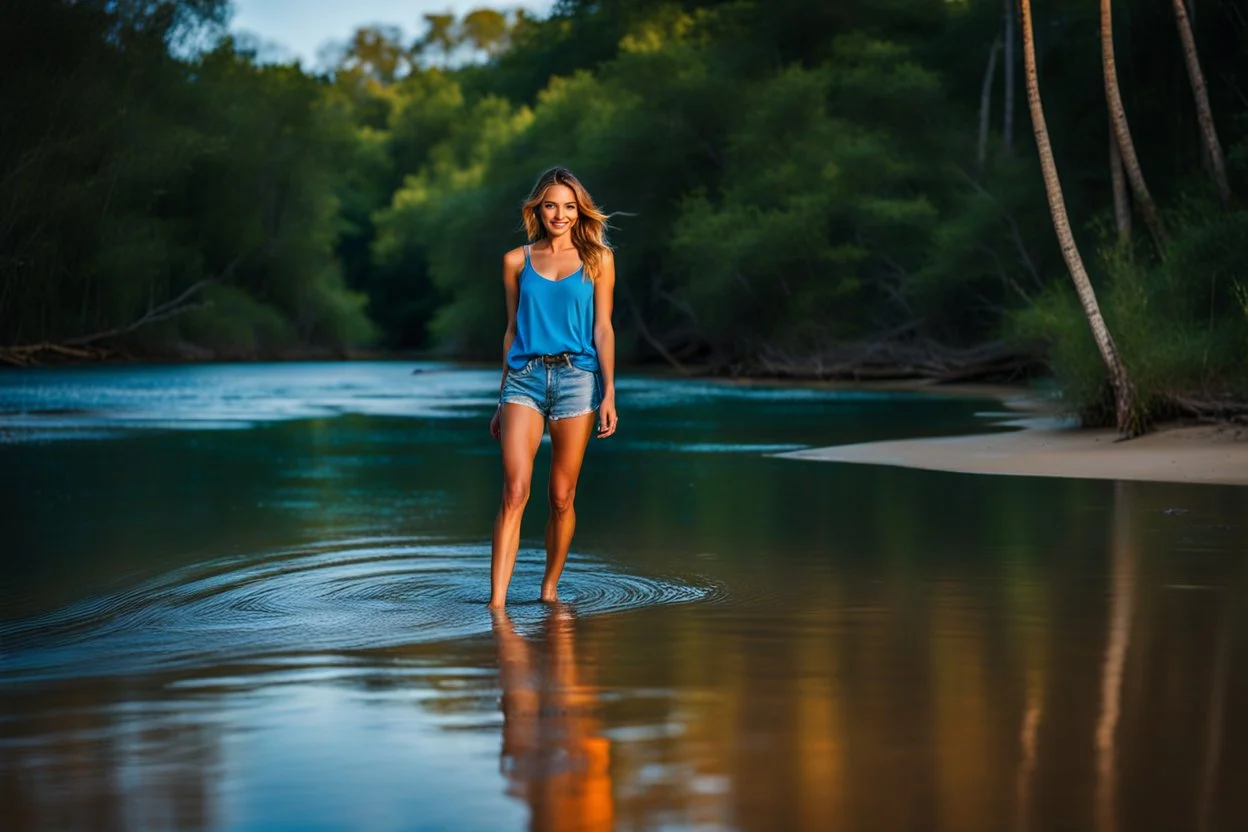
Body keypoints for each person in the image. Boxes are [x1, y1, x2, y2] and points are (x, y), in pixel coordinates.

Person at [488, 167, 618, 608]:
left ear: (578, 209)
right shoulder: (515, 261)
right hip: (523, 380)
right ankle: (497, 605)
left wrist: (609, 393)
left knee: (561, 497)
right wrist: (499, 398)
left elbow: (603, 328)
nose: (559, 215)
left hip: (577, 380)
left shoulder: (599, 258)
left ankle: (549, 589)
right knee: (514, 491)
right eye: (550, 205)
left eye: (567, 206)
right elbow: (511, 331)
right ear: (537, 210)